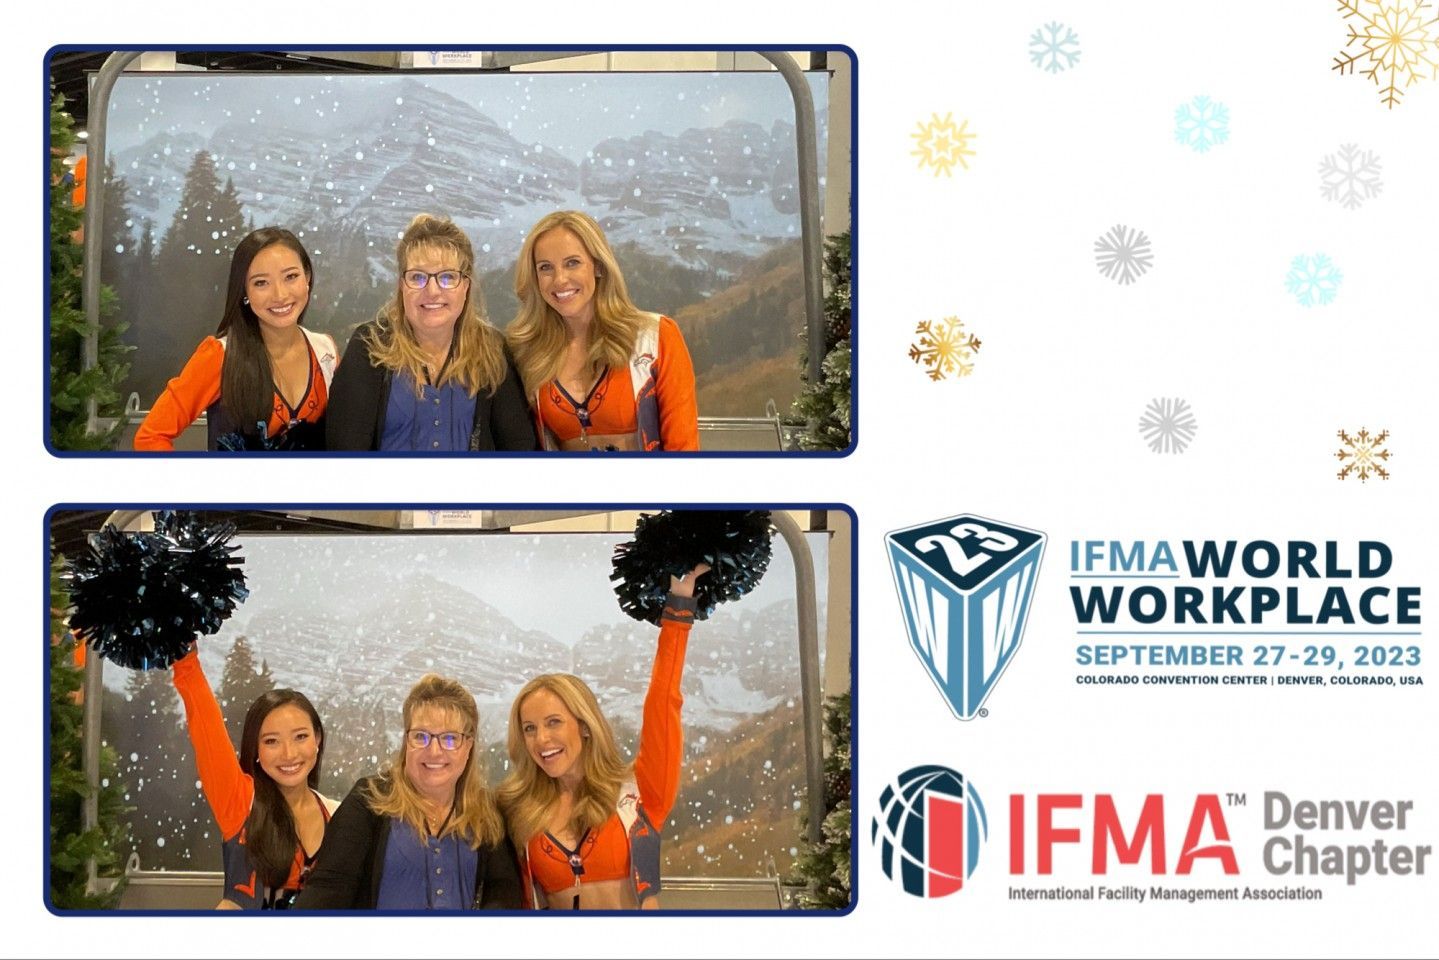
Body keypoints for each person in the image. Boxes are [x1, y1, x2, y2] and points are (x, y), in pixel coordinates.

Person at [496, 562, 709, 909]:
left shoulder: (640, 791)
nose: (541, 740)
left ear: (583, 724)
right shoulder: (518, 810)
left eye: (553, 722)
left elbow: (663, 703)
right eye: (530, 729)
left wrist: (678, 613)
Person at [293, 674, 522, 910]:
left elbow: (504, 891)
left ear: (469, 745)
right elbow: (329, 888)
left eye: (450, 739)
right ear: (406, 741)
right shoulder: (369, 799)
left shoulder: (484, 810)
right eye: (421, 736)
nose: (434, 751)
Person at [324, 214, 536, 451]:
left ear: (465, 286)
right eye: (418, 277)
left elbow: (520, 449)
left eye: (447, 277)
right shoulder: (370, 346)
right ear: (402, 285)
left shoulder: (492, 349)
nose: (432, 291)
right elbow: (343, 455)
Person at [506, 211, 699, 451]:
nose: (560, 279)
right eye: (546, 268)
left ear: (598, 265)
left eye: (572, 263)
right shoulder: (527, 354)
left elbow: (684, 449)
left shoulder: (657, 336)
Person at [134, 228, 337, 451]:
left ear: (307, 277)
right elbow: (150, 437)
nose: (280, 295)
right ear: (244, 292)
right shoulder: (220, 356)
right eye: (261, 283)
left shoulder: (325, 351)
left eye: (291, 277)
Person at [170, 646, 338, 909]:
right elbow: (206, 724)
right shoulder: (240, 801)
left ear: (317, 739)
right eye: (272, 741)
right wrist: (185, 659)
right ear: (256, 749)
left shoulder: (338, 816)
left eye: (301, 737)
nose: (289, 754)